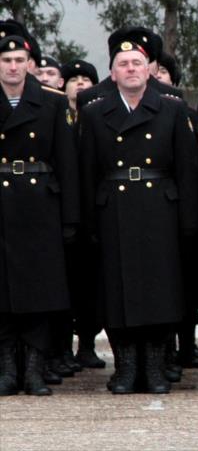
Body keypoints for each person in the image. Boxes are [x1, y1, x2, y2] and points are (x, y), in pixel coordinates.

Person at [78, 29, 198, 394]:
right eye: (123, 64)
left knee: (160, 291)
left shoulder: (173, 109)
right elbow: (87, 172)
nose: (131, 69)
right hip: (113, 209)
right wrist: (87, 221)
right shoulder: (95, 113)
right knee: (118, 292)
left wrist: (189, 221)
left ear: (149, 70)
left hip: (160, 210)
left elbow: (187, 170)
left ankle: (155, 367)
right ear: (112, 73)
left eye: (137, 63)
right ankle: (126, 368)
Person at [0, 34, 79, 396]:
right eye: (6, 60)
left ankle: (33, 370)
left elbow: (67, 163)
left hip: (39, 206)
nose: (13, 67)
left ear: (30, 64)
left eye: (19, 60)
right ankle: (6, 371)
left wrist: (69, 219)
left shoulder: (50, 104)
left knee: (39, 294)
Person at [57, 59, 106, 372]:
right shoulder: (56, 114)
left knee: (90, 282)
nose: (79, 84)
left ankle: (87, 344)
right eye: (72, 78)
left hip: (92, 207)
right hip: (59, 209)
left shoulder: (97, 117)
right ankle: (61, 348)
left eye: (86, 79)